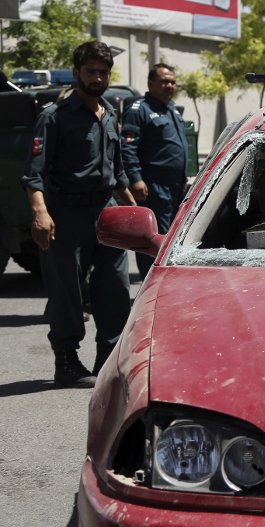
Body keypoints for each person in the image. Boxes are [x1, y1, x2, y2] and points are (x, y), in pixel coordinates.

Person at [21, 41, 136, 388]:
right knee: (67, 292)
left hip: (106, 213)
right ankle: (67, 362)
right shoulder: (54, 117)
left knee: (115, 288)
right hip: (66, 214)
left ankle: (108, 360)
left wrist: (135, 212)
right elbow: (34, 174)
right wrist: (40, 212)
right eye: (90, 71)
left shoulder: (110, 114)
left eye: (103, 72)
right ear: (76, 73)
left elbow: (118, 174)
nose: (97, 77)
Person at [121, 63, 189, 280]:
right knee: (155, 238)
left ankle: (168, 281)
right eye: (164, 81)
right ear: (150, 83)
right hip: (153, 186)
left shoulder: (172, 110)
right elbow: (128, 147)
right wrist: (135, 179)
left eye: (172, 82)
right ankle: (152, 282)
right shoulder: (139, 110)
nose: (169, 86)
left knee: (172, 237)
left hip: (175, 187)